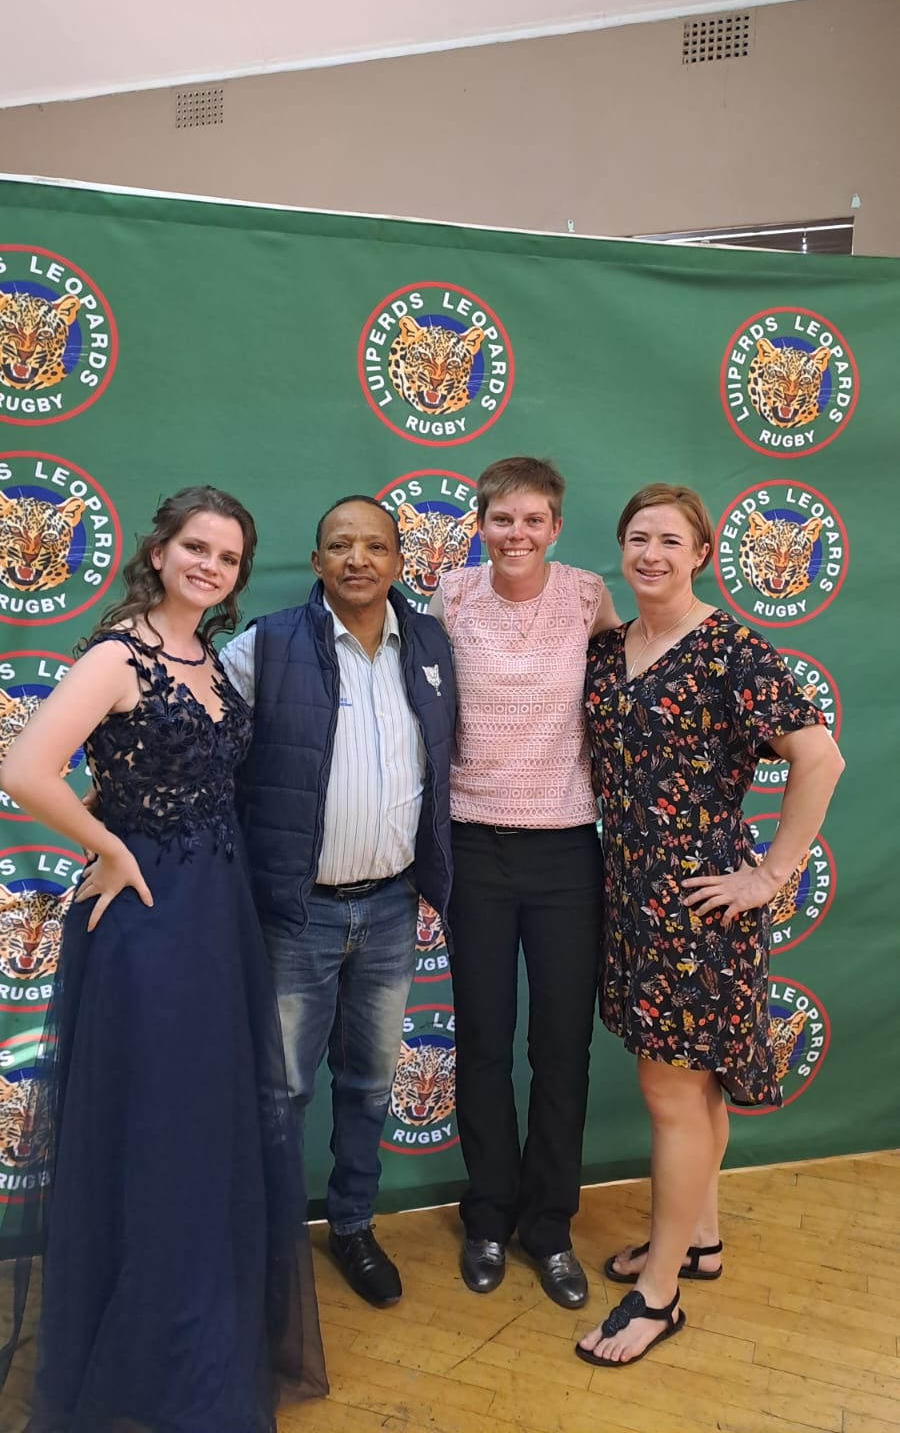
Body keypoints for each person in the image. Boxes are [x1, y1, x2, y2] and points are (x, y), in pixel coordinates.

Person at [0, 485, 327, 1431]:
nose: (210, 566)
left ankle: (196, 1332)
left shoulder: (208, 660)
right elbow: (23, 769)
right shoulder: (118, 654)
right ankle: (151, 1351)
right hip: (146, 918)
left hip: (215, 913)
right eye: (196, 548)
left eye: (227, 557)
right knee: (156, 1125)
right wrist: (109, 848)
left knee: (203, 1126)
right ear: (158, 552)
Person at [576, 482, 844, 1369]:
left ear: (701, 554)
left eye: (670, 540)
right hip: (630, 897)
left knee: (673, 1093)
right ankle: (699, 1239)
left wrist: (769, 875)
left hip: (697, 907)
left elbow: (820, 757)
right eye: (638, 538)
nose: (651, 554)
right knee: (694, 1091)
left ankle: (659, 1294)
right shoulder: (609, 649)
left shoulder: (731, 650)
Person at [222, 495, 455, 1310]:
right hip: (297, 915)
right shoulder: (264, 645)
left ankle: (352, 1224)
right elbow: (199, 751)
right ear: (317, 562)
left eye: (375, 546)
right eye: (341, 546)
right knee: (281, 1091)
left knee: (369, 1086)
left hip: (391, 910)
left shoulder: (431, 644)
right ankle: (270, 1243)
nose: (359, 559)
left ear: (398, 562)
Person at [428, 456, 619, 1308]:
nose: (518, 534)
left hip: (567, 851)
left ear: (556, 527)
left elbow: (624, 695)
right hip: (474, 846)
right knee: (483, 1040)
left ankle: (549, 1226)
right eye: (502, 519)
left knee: (561, 1049)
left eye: (534, 519)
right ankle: (488, 1216)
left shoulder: (586, 596)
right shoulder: (451, 596)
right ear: (481, 525)